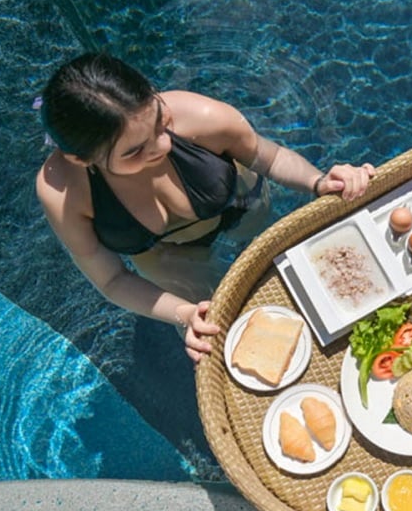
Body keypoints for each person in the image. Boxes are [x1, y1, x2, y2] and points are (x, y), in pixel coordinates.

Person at [36, 52, 375, 363]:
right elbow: (111, 279)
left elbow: (269, 158)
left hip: (241, 204)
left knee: (294, 271)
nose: (164, 143)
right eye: (134, 152)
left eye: (159, 119)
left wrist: (319, 182)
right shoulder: (65, 193)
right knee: (220, 335)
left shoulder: (200, 117)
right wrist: (184, 313)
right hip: (167, 253)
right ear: (80, 159)